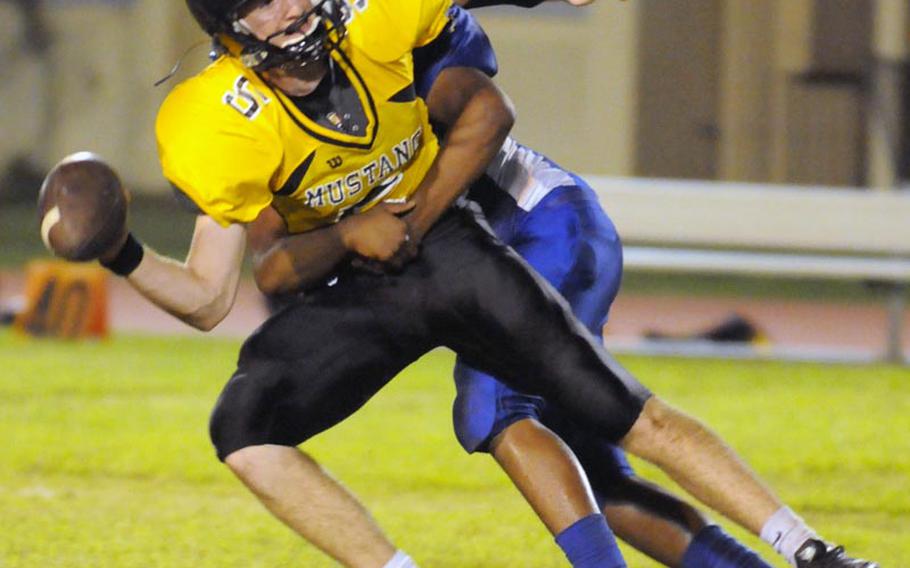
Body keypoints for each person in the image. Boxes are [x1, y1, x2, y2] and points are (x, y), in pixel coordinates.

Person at [86, 1, 875, 567]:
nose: (294, 9)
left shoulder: (387, 29)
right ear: (229, 35)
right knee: (246, 424)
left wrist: (411, 221)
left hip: (502, 224)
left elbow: (488, 111)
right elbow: (236, 283)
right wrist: (121, 251)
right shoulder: (221, 124)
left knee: (527, 409)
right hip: (383, 272)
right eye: (264, 4)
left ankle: (809, 551)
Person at [410, 3, 868, 567]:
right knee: (596, 476)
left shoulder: (369, 38)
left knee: (495, 406)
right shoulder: (285, 99)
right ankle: (809, 555)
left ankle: (812, 551)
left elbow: (466, 84)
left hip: (540, 228)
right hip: (515, 249)